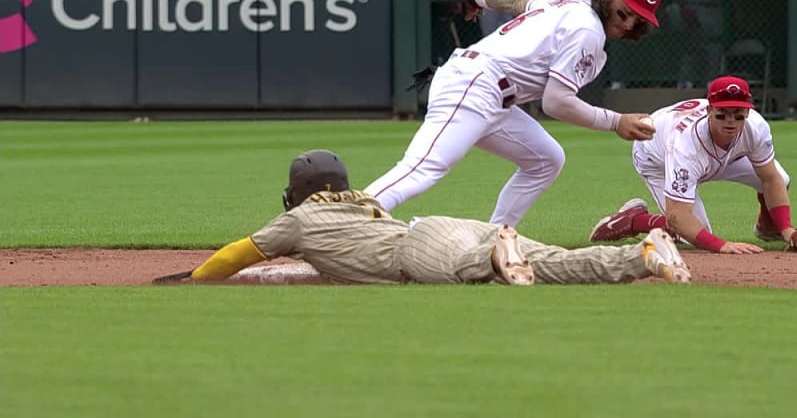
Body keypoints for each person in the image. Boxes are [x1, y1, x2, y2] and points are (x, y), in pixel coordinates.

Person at [366, 0, 664, 227]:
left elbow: (519, 0)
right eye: (625, 13)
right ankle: (339, 220)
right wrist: (615, 122)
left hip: (491, 92)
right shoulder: (587, 29)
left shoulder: (569, 5)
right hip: (476, 85)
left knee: (546, 159)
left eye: (638, 21)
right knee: (424, 168)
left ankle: (494, 237)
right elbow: (556, 102)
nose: (627, 25)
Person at [152, 150, 691, 286]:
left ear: (297, 192)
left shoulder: (295, 222)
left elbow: (235, 255)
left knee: (481, 267)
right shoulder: (363, 199)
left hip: (420, 253)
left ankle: (492, 254)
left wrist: (195, 279)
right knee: (552, 264)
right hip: (439, 225)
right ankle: (643, 255)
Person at [588, 76, 797, 255]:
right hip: (656, 157)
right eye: (722, 114)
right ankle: (632, 221)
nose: (730, 122)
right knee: (694, 232)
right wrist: (721, 245)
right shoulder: (685, 144)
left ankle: (770, 229)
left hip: (718, 156)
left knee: (781, 177)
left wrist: (788, 230)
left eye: (738, 114)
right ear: (709, 110)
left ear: (748, 113)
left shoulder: (756, 127)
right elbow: (678, 215)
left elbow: (770, 179)